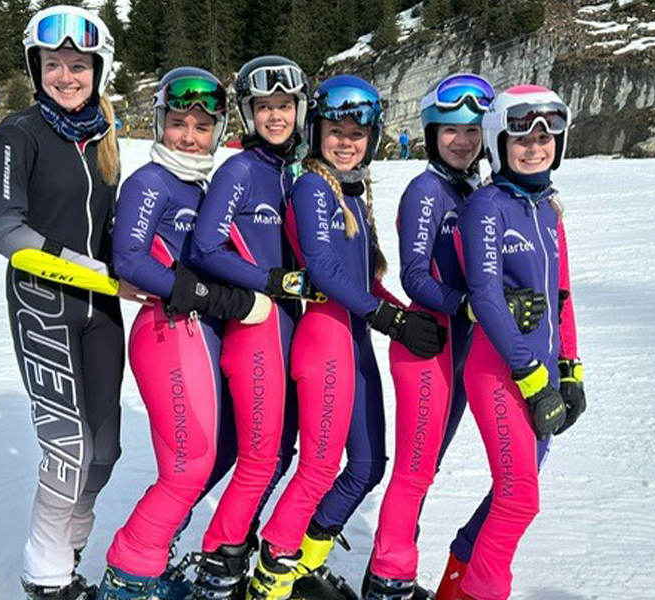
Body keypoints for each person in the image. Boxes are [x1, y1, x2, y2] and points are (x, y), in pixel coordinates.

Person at [244, 75, 446, 600]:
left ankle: (303, 564)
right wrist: (390, 320)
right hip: (325, 340)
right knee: (318, 468)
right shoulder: (313, 187)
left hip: (355, 340)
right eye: (336, 131)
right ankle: (269, 578)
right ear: (317, 133)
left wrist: (407, 314)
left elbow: (365, 279)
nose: (346, 142)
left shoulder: (353, 191)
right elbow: (324, 269)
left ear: (372, 138)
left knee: (368, 465)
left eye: (357, 134)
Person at [98, 67, 274, 600]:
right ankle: (127, 580)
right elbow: (130, 258)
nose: (189, 137)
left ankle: (151, 560)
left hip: (200, 335)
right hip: (168, 331)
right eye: (179, 123)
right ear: (160, 123)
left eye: (202, 127)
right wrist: (215, 298)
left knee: (211, 455)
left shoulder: (200, 186)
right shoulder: (150, 182)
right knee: (186, 467)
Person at [0, 5, 139, 599]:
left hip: (102, 313)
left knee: (105, 452)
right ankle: (44, 578)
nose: (66, 76)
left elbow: (114, 228)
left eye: (78, 65)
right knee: (69, 447)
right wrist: (96, 274)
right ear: (36, 67)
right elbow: (7, 232)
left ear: (98, 71)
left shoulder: (103, 137)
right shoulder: (17, 134)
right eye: (53, 64)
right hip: (42, 303)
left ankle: (64, 551)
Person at [451, 84, 586, 600]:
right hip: (499, 371)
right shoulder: (487, 207)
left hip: (544, 375)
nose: (535, 147)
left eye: (545, 137)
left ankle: (453, 587)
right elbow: (485, 297)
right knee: (520, 499)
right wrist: (531, 378)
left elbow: (562, 295)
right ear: (498, 143)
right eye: (522, 138)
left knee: (504, 499)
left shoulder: (548, 209)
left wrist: (569, 370)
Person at [185, 55, 311, 598]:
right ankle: (219, 564)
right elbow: (205, 248)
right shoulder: (239, 170)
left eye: (284, 106)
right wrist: (271, 281)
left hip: (287, 327)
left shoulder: (290, 172)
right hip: (255, 326)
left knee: (279, 453)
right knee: (260, 457)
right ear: (248, 112)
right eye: (264, 107)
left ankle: (237, 543)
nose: (275, 116)